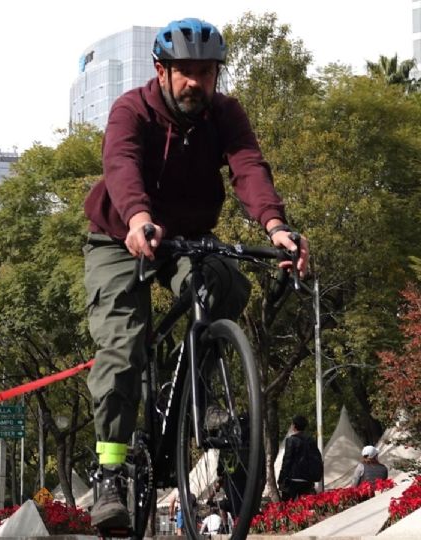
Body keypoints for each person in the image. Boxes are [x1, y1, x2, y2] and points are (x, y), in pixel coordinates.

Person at [82, 17, 310, 529]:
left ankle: (200, 396)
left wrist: (276, 226)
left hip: (187, 238)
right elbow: (121, 165)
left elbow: (249, 165)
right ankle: (111, 472)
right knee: (123, 344)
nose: (195, 83)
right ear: (160, 70)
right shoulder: (130, 111)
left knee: (226, 283)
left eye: (205, 73)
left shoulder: (225, 114)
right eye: (185, 72)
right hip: (122, 236)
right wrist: (138, 219)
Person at [278, 415, 321, 500]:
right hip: (307, 480)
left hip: (292, 479)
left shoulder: (291, 440)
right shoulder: (311, 440)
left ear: (294, 426)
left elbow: (287, 460)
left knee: (288, 507)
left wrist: (281, 478)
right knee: (304, 507)